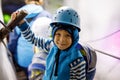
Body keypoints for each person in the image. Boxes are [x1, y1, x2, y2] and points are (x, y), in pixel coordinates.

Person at [11, 6, 97, 80]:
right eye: (58, 34)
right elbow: (32, 38)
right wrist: (22, 23)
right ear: (53, 34)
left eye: (67, 35)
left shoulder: (77, 61)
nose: (62, 40)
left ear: (74, 37)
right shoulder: (51, 45)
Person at [7, 0, 52, 79]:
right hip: (42, 59)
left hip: (22, 60)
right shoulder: (47, 15)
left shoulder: (17, 14)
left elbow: (12, 42)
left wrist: (12, 57)